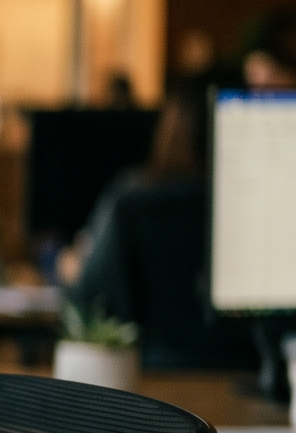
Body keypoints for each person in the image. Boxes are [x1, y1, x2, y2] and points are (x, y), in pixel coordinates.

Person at [69, 78, 254, 369]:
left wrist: (71, 267)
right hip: (249, 368)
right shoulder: (257, 200)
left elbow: (89, 298)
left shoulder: (131, 198)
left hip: (156, 375)